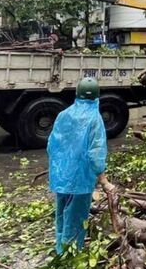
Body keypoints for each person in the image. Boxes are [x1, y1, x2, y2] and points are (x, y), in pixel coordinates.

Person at [46, 77, 112, 253]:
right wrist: (104, 181)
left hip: (62, 177)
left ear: (77, 94)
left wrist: (60, 169)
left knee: (61, 215)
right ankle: (71, 257)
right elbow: (96, 154)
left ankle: (60, 250)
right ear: (97, 97)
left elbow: (51, 146)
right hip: (81, 179)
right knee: (75, 219)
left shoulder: (63, 115)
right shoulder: (94, 119)